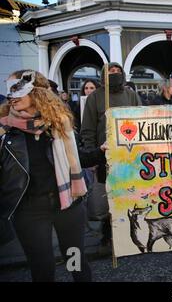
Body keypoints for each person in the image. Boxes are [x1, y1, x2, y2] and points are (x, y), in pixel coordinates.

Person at [0, 70, 92, 282]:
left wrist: (101, 152)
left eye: (18, 91)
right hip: (29, 210)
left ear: (37, 93)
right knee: (42, 268)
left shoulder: (59, 126)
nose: (12, 97)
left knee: (75, 260)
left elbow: (79, 158)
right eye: (10, 92)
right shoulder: (5, 131)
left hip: (68, 204)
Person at [81, 62, 142, 253]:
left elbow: (141, 118)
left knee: (128, 195)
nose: (114, 73)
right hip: (105, 156)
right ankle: (107, 237)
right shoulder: (95, 97)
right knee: (107, 196)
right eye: (110, 71)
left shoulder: (131, 94)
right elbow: (88, 129)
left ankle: (129, 235)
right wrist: (92, 156)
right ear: (103, 75)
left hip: (130, 156)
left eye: (117, 70)